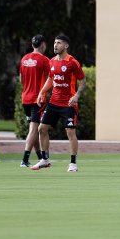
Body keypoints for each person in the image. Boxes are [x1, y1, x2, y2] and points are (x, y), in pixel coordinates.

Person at [33, 34, 86, 173]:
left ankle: (73, 163)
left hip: (68, 104)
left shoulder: (72, 62)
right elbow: (51, 79)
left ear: (66, 46)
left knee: (70, 132)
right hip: (54, 103)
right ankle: (45, 160)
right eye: (55, 43)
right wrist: (41, 92)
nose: (55, 45)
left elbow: (83, 80)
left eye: (59, 43)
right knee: (41, 129)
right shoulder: (51, 61)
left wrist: (76, 96)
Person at [19, 35, 50, 167]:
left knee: (33, 129)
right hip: (38, 99)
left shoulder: (24, 59)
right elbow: (51, 79)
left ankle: (40, 157)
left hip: (25, 98)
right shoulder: (44, 60)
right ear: (43, 44)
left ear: (32, 45)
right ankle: (25, 160)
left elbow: (21, 79)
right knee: (34, 129)